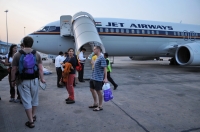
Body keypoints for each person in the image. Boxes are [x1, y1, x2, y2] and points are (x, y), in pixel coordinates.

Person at [11, 36, 45, 128]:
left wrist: (13, 80)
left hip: (22, 81)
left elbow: (13, 69)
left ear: (23, 43)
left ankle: (30, 121)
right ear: (32, 44)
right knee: (34, 99)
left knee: (26, 101)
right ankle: (33, 116)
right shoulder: (37, 54)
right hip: (34, 80)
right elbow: (41, 69)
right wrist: (42, 79)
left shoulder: (17, 54)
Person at [89, 46, 108, 111]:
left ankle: (100, 106)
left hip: (98, 78)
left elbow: (105, 68)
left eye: (94, 49)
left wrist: (105, 78)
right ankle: (95, 103)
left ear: (98, 50)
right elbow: (94, 64)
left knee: (98, 92)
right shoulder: (97, 57)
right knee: (91, 89)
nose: (93, 50)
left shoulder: (102, 58)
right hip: (93, 77)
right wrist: (91, 59)